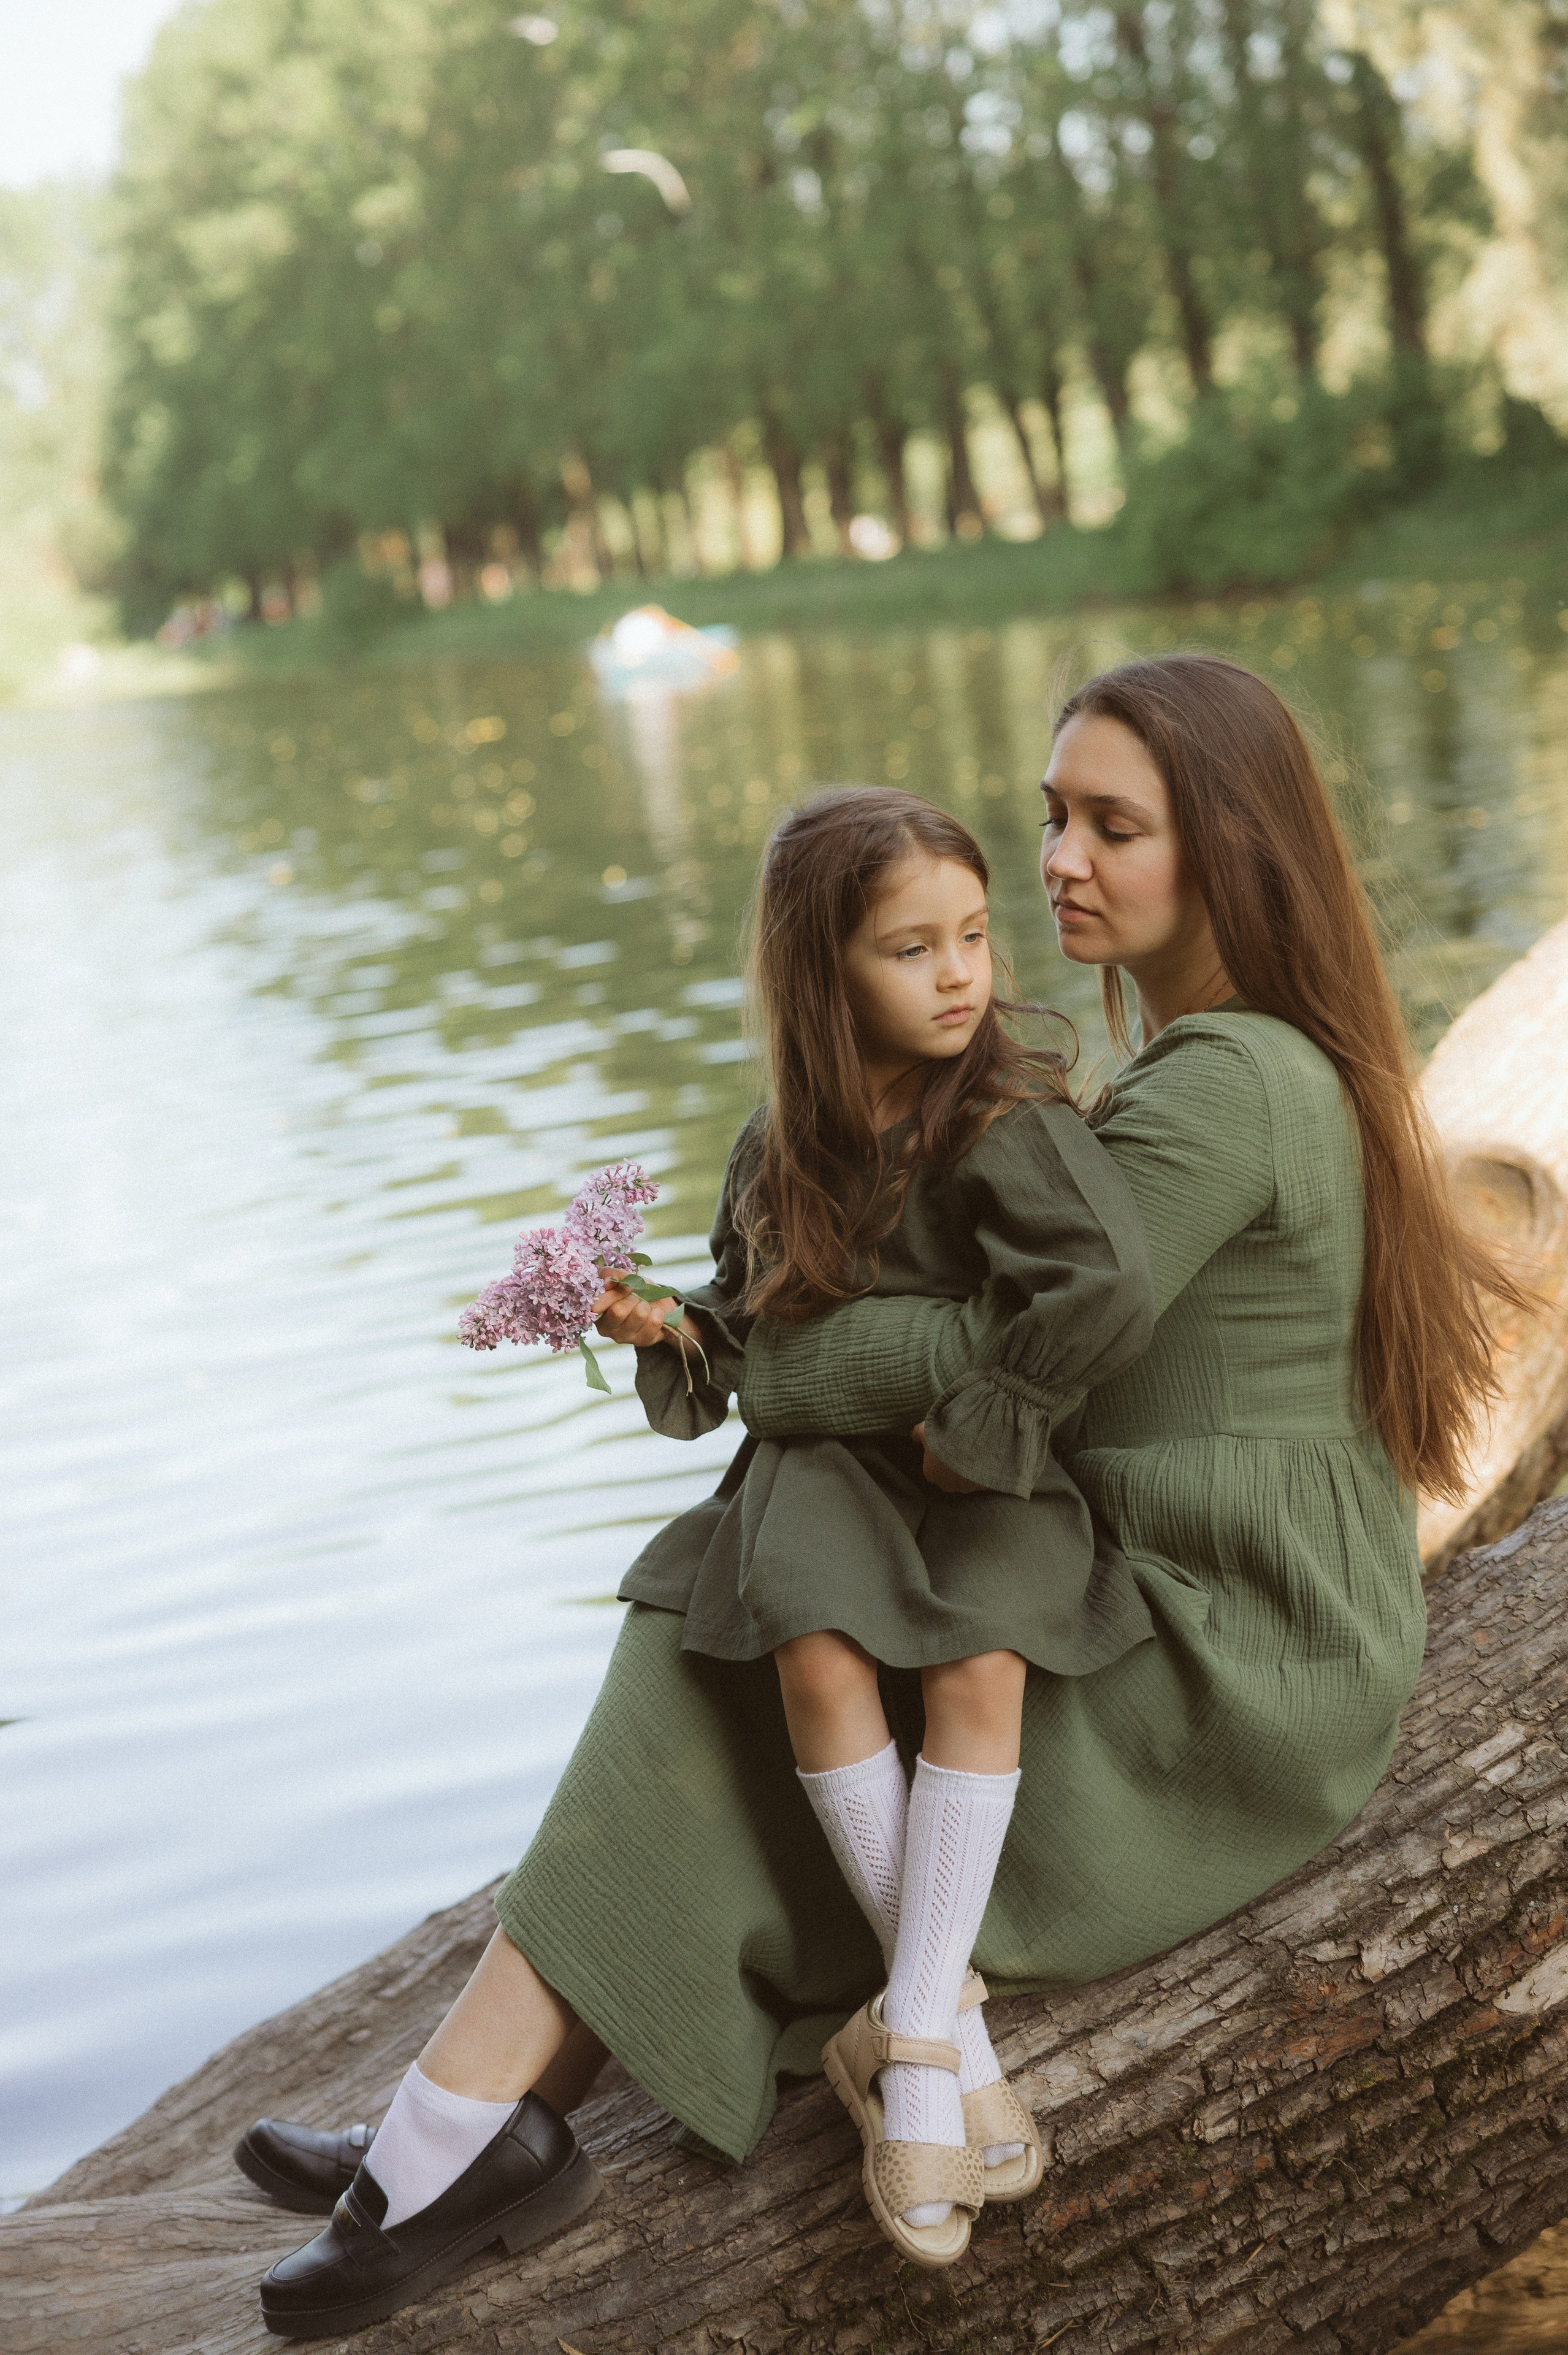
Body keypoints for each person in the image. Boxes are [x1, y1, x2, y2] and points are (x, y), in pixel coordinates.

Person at [245, 653, 1521, 2334]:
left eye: (1111, 826)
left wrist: (757, 1365)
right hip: (1179, 1581)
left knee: (737, 1591)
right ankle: (455, 2119)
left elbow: (997, 1335)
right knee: (769, 1575)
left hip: (1235, 1657)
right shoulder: (1201, 1065)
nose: (1057, 856)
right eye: (1056, 815)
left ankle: (453, 2126)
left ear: (1227, 849)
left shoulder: (1225, 1088)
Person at [251, 787, 1157, 2333]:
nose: (955, 975)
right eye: (907, 950)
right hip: (828, 1480)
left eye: (970, 936)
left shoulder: (1002, 1115)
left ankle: (910, 2037)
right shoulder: (782, 1145)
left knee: (979, 1653)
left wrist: (993, 1410)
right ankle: (931, 2053)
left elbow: (1104, 1280)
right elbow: (753, 1334)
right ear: (823, 975)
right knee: (797, 1639)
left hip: (967, 1463)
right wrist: (663, 1325)